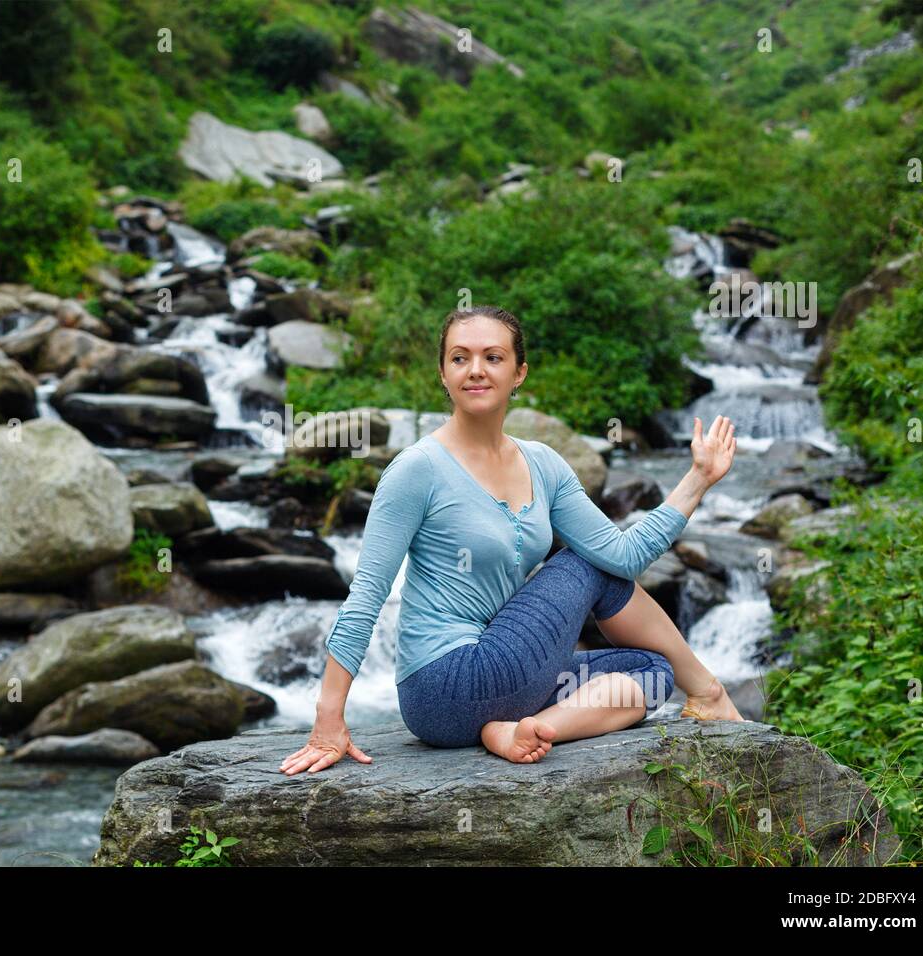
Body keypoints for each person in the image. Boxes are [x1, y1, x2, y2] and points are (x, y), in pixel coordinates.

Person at [280, 305, 744, 776]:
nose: (475, 369)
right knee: (586, 564)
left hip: (511, 680)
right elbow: (367, 593)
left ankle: (521, 730)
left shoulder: (543, 464)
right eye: (460, 358)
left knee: (651, 672)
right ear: (443, 373)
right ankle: (708, 694)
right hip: (443, 684)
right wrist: (328, 717)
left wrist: (698, 480)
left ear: (519, 372)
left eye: (493, 357)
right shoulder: (416, 470)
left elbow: (625, 555)